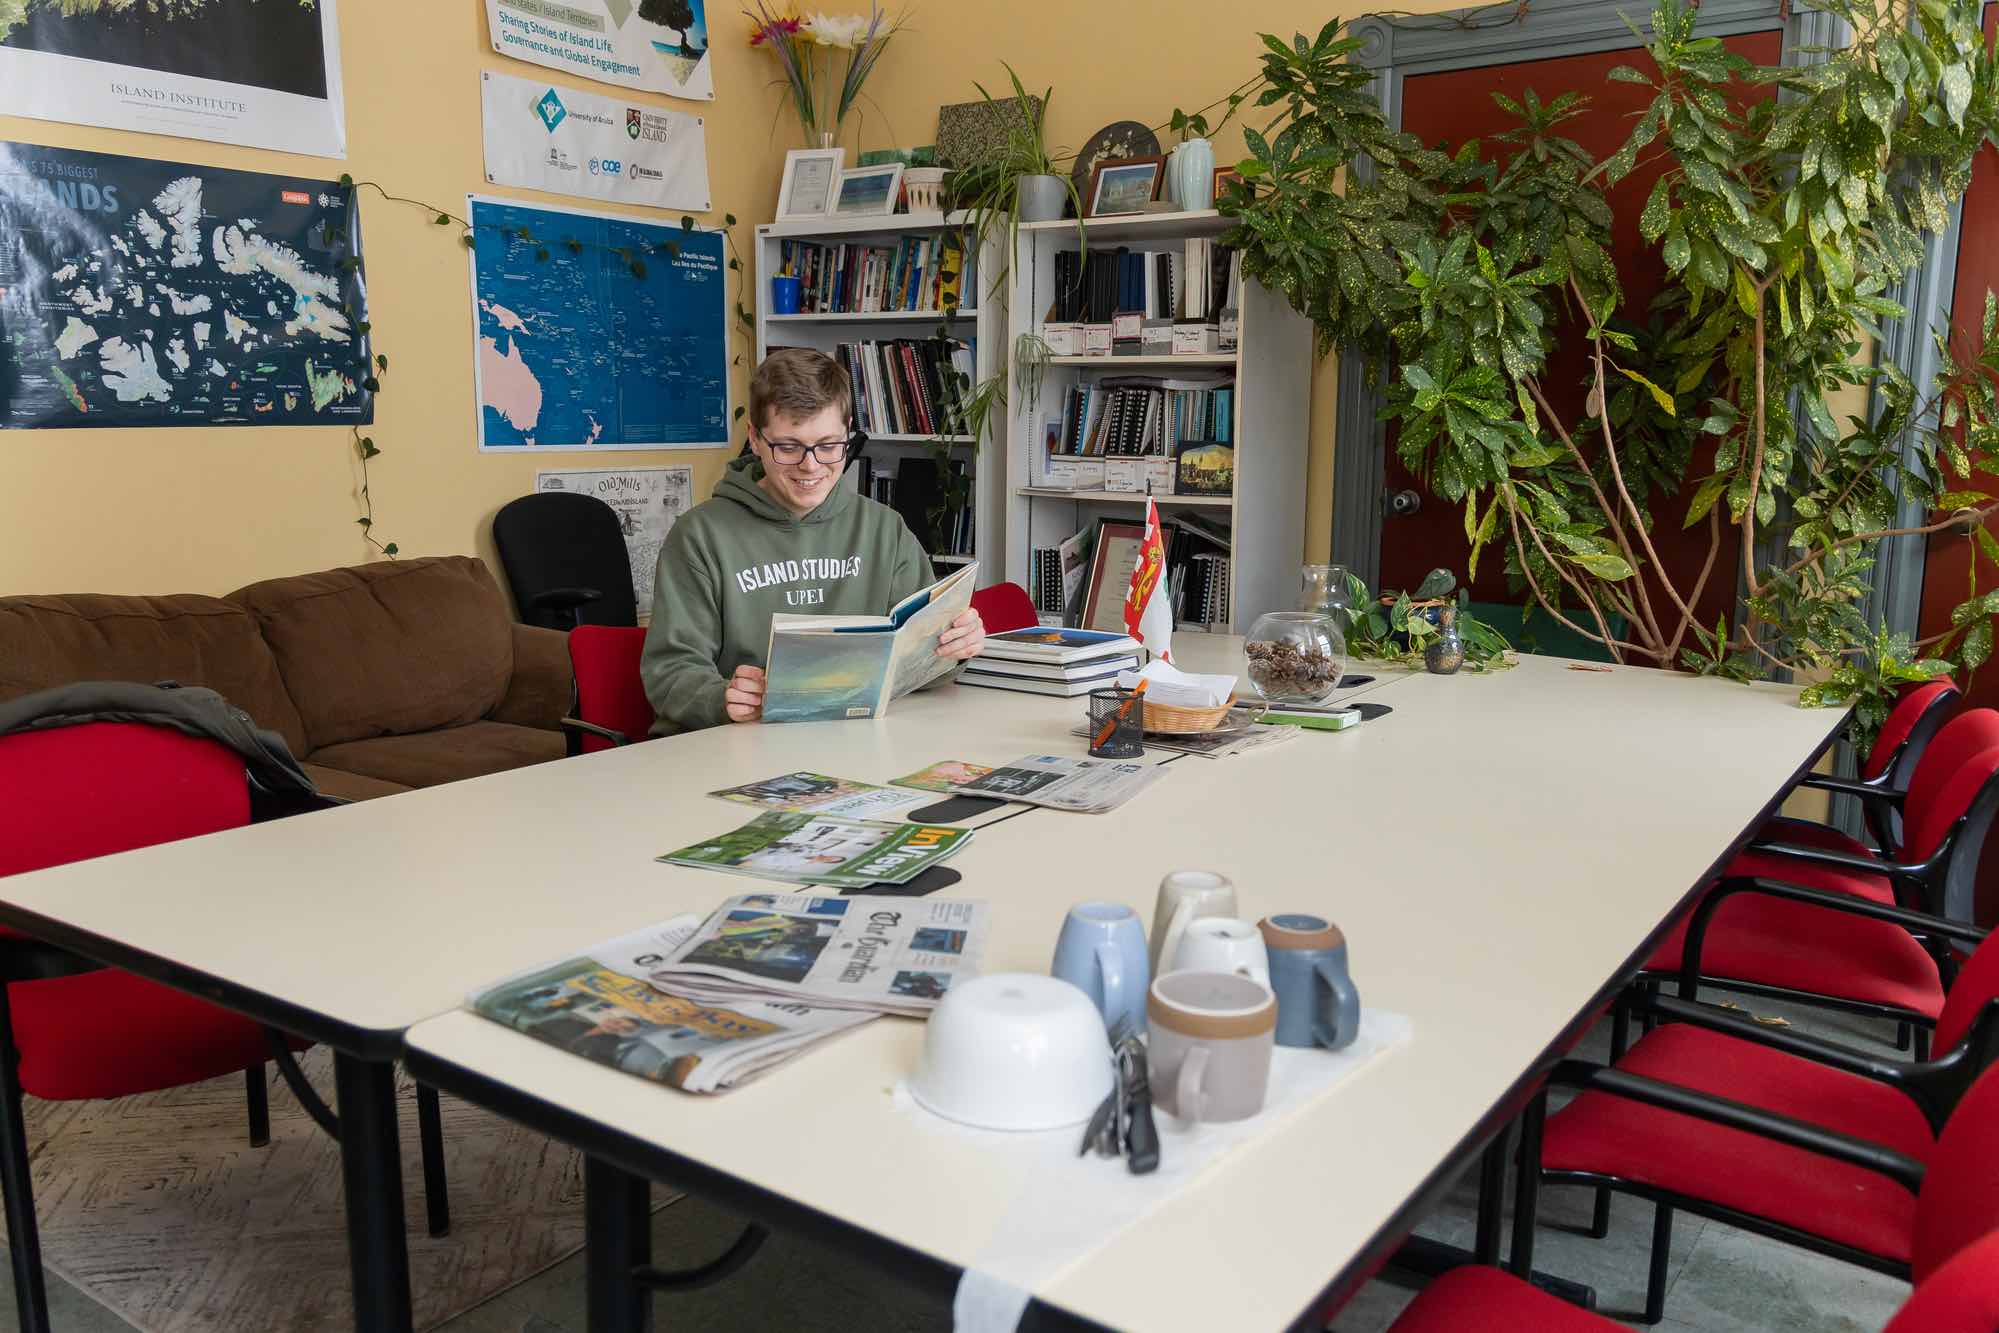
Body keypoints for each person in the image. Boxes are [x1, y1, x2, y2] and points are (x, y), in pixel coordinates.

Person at [642, 348, 984, 733]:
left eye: (828, 445)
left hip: (856, 741)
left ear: (847, 432)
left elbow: (923, 665)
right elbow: (669, 672)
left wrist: (953, 648)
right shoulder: (699, 536)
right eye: (788, 447)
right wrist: (721, 697)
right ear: (754, 438)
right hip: (736, 746)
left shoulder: (885, 530)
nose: (811, 465)